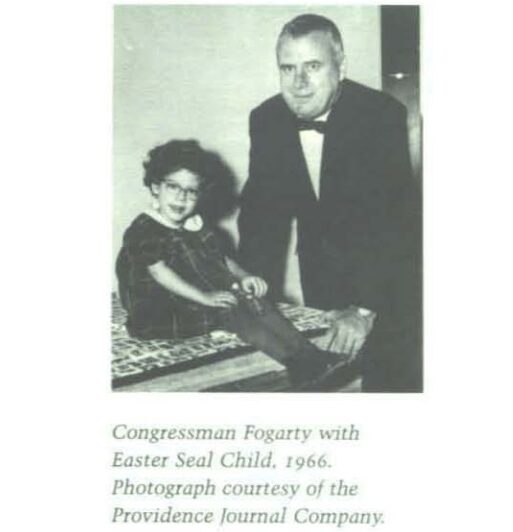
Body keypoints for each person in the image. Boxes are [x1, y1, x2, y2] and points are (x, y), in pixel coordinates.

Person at [238, 14, 421, 392]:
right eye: (288, 68)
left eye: (313, 66)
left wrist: (365, 310)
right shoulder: (267, 119)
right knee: (330, 391)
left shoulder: (381, 115)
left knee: (390, 386)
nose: (299, 83)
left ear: (341, 67)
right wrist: (248, 293)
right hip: (322, 282)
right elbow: (261, 216)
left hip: (388, 287)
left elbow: (395, 222)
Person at [115, 139, 356, 391]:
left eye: (191, 190)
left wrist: (244, 277)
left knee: (252, 299)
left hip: (191, 293)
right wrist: (205, 298)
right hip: (159, 308)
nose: (182, 197)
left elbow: (219, 258)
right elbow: (159, 272)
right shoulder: (143, 230)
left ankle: (312, 355)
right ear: (155, 187)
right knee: (231, 309)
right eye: (173, 186)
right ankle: (296, 366)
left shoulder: (194, 223)